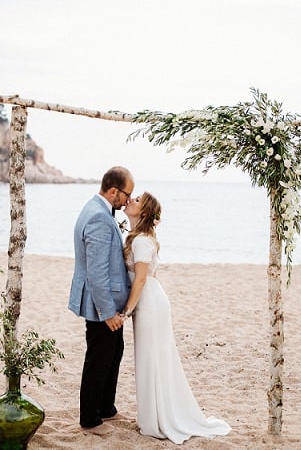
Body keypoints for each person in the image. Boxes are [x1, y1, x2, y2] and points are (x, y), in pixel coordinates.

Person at [121, 192, 231, 444]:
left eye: (136, 200)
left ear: (145, 213)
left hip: (149, 304)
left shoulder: (142, 242)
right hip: (150, 301)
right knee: (152, 358)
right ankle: (153, 414)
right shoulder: (140, 238)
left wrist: (127, 310)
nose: (131, 201)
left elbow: (140, 280)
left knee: (153, 358)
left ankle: (158, 418)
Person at [68, 166, 135, 436]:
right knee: (98, 358)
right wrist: (107, 312)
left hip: (105, 302)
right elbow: (97, 273)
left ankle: (106, 408)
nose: (128, 200)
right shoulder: (97, 217)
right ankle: (90, 419)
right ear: (112, 190)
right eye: (127, 194)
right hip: (99, 304)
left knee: (113, 353)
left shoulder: (100, 210)